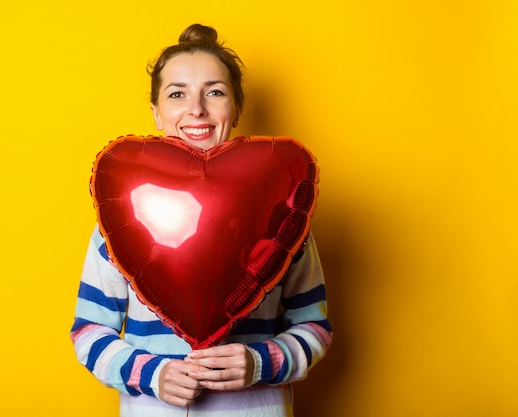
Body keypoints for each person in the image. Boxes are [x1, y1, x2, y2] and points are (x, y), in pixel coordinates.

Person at [70, 24, 332, 417]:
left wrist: (261, 362)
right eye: (177, 93)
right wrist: (153, 374)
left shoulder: (284, 217)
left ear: (237, 109)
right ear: (157, 113)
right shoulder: (118, 219)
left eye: (215, 92)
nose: (197, 109)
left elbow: (314, 326)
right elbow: (88, 331)